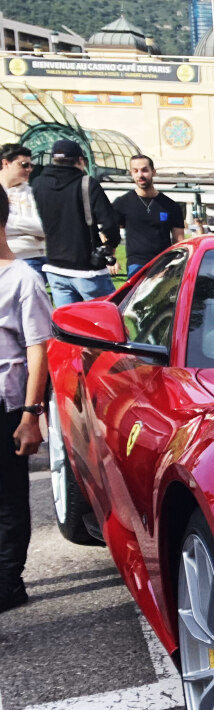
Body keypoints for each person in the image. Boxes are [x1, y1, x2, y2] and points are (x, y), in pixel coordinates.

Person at [0, 190, 53, 611]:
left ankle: (7, 584)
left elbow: (39, 349)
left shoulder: (22, 279)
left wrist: (31, 414)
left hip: (6, 407)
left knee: (7, 498)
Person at [30, 139, 119, 307]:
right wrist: (110, 247)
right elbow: (109, 224)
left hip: (55, 268)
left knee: (69, 327)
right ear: (80, 160)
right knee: (105, 323)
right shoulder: (87, 184)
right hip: (88, 269)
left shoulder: (38, 184)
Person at [111, 155, 184, 279]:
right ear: (131, 173)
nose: (140, 175)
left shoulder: (170, 206)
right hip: (136, 266)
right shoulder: (121, 203)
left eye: (144, 170)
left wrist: (177, 265)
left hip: (164, 265)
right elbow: (110, 232)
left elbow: (180, 240)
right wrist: (112, 259)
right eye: (135, 171)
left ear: (153, 172)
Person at [0, 144, 44, 275]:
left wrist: (7, 219)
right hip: (5, 259)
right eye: (24, 165)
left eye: (31, 165)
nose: (29, 169)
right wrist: (29, 229)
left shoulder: (33, 193)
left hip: (35, 258)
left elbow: (44, 228)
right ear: (6, 163)